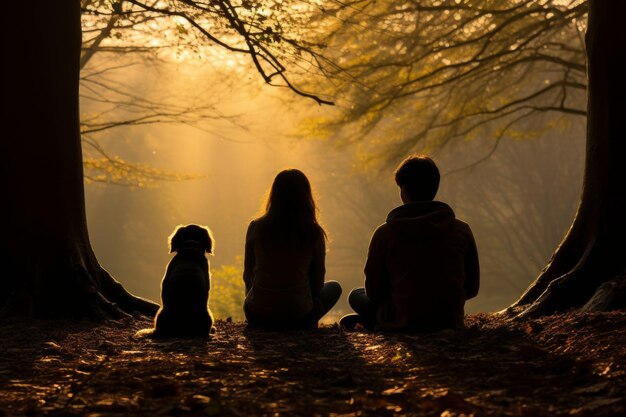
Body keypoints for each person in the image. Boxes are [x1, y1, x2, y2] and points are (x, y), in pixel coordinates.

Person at [340, 155, 479, 332]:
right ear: (434, 188)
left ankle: (382, 321)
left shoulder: (384, 233)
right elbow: (472, 288)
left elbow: (374, 292)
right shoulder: (462, 230)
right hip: (449, 321)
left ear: (404, 191)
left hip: (402, 322)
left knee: (356, 296)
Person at [243, 169, 342, 329]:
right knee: (334, 287)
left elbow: (248, 275)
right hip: (298, 317)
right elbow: (317, 282)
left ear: (274, 195)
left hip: (257, 315)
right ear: (306, 197)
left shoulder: (256, 227)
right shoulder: (313, 232)